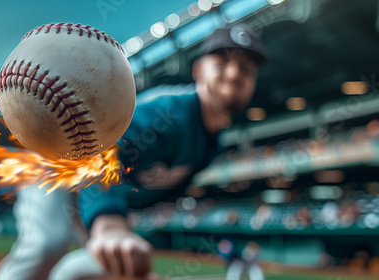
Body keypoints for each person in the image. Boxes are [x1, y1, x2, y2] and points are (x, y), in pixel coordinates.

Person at [50, 23, 269, 279]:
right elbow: (100, 152)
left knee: (86, 271)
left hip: (103, 205)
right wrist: (109, 223)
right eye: (222, 63)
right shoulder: (167, 111)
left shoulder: (214, 144)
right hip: (62, 171)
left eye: (245, 69)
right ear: (198, 70)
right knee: (46, 245)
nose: (234, 73)